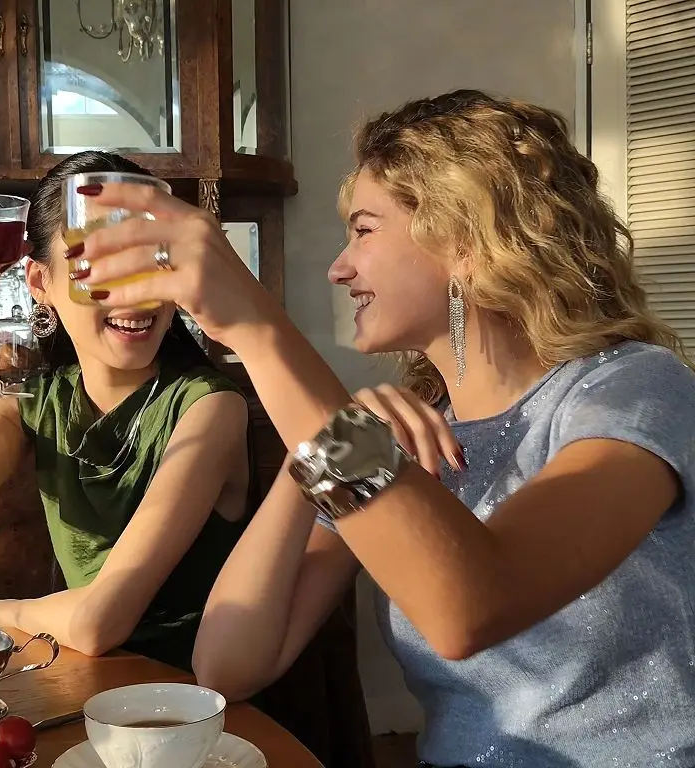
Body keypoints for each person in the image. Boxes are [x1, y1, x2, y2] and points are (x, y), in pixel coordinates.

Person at [63, 91, 695, 767]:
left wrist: (258, 328)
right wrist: (324, 451)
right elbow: (229, 663)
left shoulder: (632, 389)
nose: (339, 267)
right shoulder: (391, 444)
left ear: (467, 240)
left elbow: (471, 605)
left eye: (364, 231)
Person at [0, 151, 253, 672]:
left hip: (187, 695)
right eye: (99, 264)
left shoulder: (210, 407)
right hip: (78, 679)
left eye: (152, 259)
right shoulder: (36, 404)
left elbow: (99, 621)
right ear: (40, 282)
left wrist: (3, 613)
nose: (135, 293)